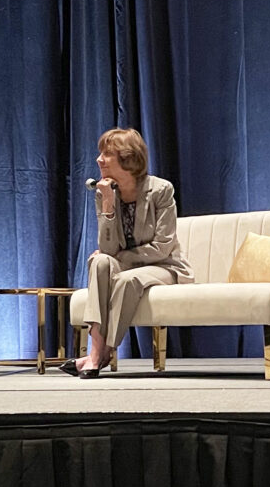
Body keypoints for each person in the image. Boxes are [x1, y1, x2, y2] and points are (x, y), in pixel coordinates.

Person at [60, 128, 194, 378]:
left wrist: (122, 257)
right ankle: (97, 351)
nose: (99, 159)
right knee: (99, 261)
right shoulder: (104, 192)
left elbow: (162, 247)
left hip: (165, 266)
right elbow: (109, 250)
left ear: (128, 159)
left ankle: (98, 355)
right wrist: (109, 205)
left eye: (107, 153)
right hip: (129, 265)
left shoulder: (161, 190)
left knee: (126, 279)